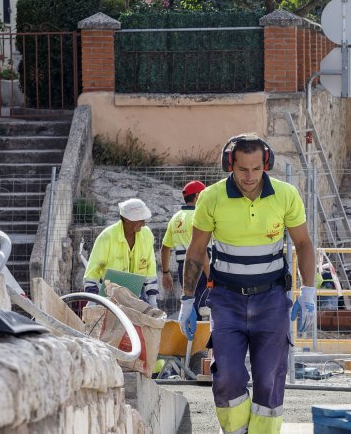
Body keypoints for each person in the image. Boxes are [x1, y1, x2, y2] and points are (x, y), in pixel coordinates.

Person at [181, 134, 316, 434]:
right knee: (227, 376)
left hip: (272, 301)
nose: (250, 177)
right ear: (230, 164)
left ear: (266, 164)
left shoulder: (286, 195)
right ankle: (236, 430)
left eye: (256, 169)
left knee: (269, 379)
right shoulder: (211, 198)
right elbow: (196, 250)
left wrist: (308, 292)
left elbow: (304, 243)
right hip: (226, 301)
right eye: (243, 169)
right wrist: (187, 300)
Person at [83, 198, 160, 307]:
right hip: (110, 295)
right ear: (127, 219)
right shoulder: (107, 237)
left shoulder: (147, 235)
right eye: (140, 219)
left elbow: (150, 267)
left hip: (137, 293)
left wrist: (152, 299)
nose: (143, 224)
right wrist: (92, 300)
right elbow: (92, 270)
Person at [160, 180, 210, 316]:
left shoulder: (175, 218)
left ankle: (191, 329)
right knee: (206, 307)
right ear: (198, 195)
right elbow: (201, 249)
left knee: (190, 305)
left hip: (184, 268)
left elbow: (165, 248)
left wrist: (166, 272)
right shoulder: (199, 216)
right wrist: (210, 275)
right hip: (202, 266)